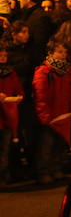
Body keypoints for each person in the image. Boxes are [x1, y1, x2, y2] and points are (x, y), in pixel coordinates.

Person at [32, 40, 71, 184]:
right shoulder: (43, 72)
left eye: (64, 52)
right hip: (50, 116)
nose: (63, 55)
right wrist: (45, 116)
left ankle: (56, 168)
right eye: (59, 52)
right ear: (50, 53)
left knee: (60, 144)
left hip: (63, 114)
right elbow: (40, 95)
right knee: (46, 146)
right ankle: (44, 172)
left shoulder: (67, 72)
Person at [0, 41, 25, 186]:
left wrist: (20, 96)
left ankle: (4, 176)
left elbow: (18, 89)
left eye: (4, 55)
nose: (3, 57)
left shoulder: (10, 73)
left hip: (8, 116)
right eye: (0, 55)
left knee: (5, 149)